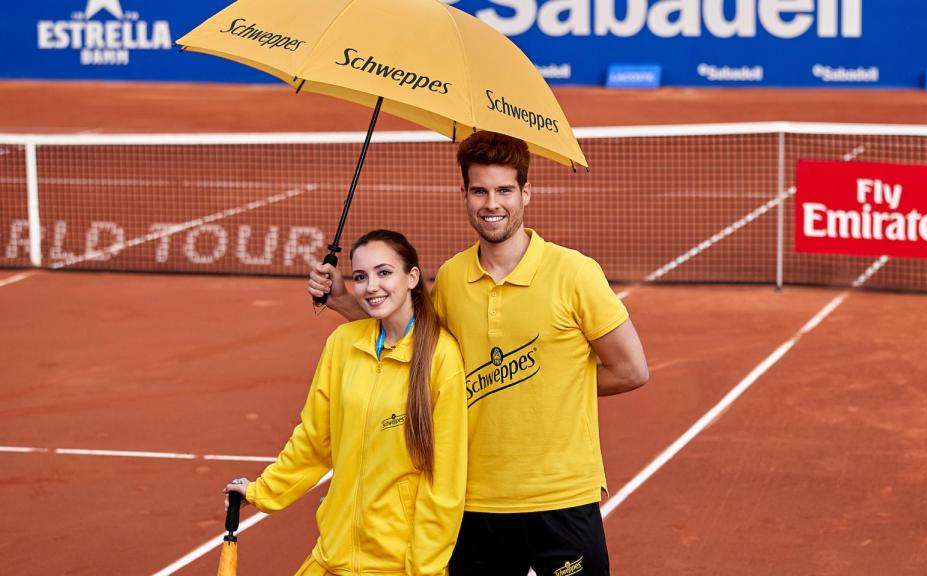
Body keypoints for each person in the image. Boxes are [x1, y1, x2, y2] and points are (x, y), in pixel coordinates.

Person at [309, 132, 649, 576]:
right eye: (480, 191)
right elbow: (412, 340)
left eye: (505, 190)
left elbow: (631, 370)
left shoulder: (575, 274)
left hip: (560, 497)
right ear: (465, 195)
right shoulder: (451, 278)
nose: (493, 203)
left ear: (526, 192)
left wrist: (557, 383)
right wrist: (341, 299)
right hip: (472, 499)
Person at [227, 229, 467, 576]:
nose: (371, 286)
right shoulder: (343, 344)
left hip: (398, 566)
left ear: (412, 277)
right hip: (333, 554)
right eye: (360, 276)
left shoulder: (441, 359)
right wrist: (262, 490)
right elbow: (314, 439)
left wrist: (425, 568)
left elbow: (444, 483)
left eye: (384, 272)